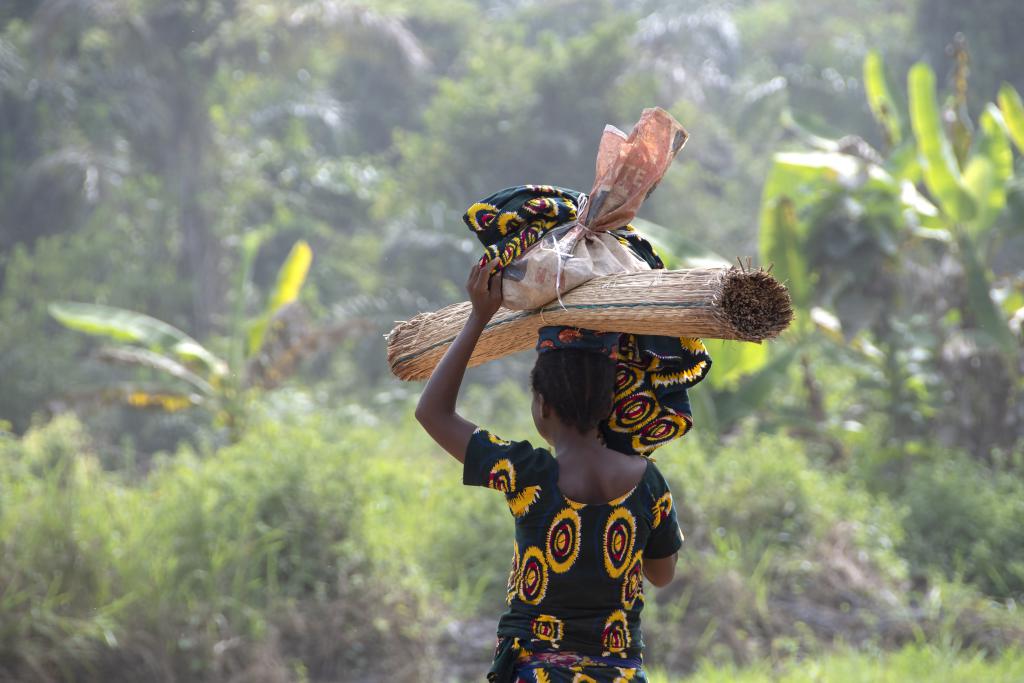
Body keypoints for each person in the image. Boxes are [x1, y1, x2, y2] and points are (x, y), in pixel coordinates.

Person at [416, 259, 685, 683]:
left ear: (542, 405)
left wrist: (478, 317)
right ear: (607, 404)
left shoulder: (527, 473)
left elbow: (431, 412)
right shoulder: (646, 481)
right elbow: (662, 574)